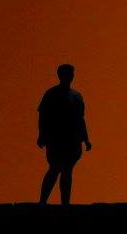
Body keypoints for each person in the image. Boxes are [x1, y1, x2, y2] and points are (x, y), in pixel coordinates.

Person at [37, 64, 90, 205]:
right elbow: (43, 116)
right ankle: (43, 201)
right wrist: (42, 135)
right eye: (65, 74)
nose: (68, 76)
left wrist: (86, 139)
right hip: (56, 139)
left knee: (67, 171)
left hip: (72, 140)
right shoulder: (50, 94)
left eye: (70, 73)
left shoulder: (77, 96)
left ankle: (65, 203)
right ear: (59, 75)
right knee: (54, 169)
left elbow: (80, 119)